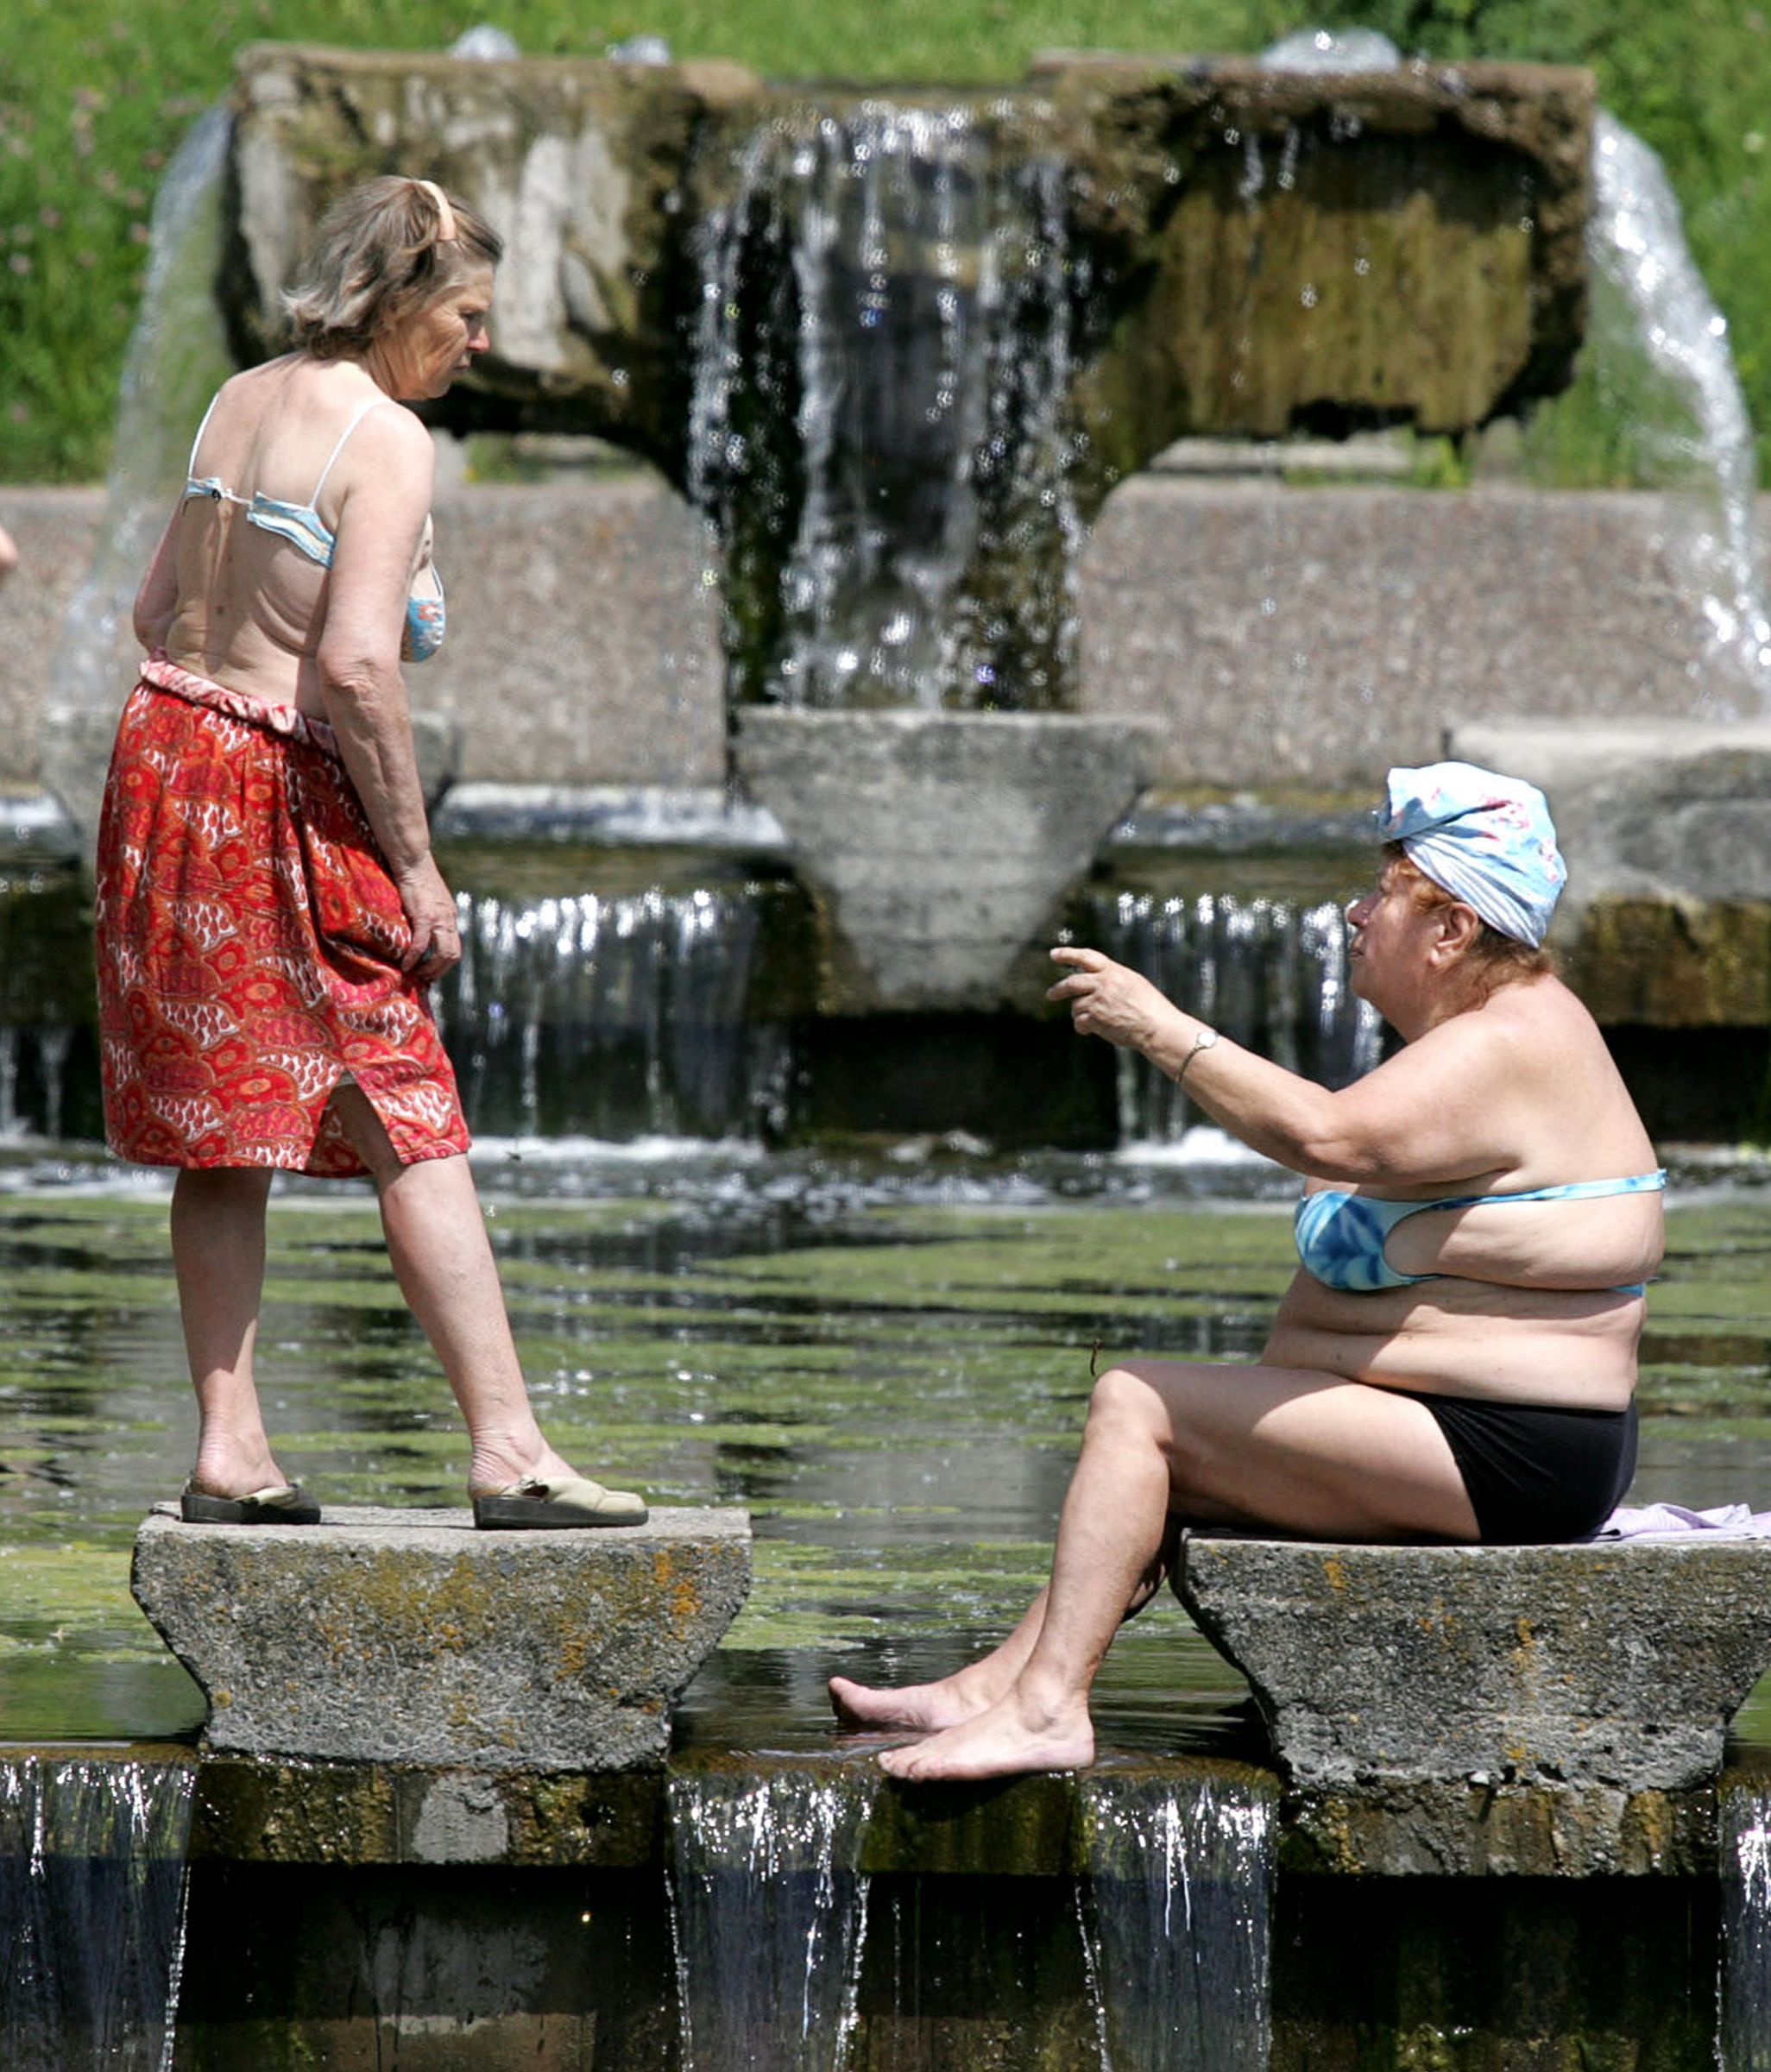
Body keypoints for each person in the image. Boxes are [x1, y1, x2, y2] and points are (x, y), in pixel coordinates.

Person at [829, 761, 1664, 1780]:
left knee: (1137, 1402)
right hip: (1494, 1440)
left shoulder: (1507, 1041)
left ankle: (1049, 1710)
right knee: (1172, 1435)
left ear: (1450, 931)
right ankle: (1001, 1681)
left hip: (1515, 1453)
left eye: (1385, 894)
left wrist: (1161, 1029)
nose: (1355, 914)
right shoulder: (1496, 1033)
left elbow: (1328, 1134)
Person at [94, 176, 646, 1530]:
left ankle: (230, 1447)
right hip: (276, 779)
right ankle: (509, 1449)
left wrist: (219, 731)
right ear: (397, 302)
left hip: (164, 756)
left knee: (227, 1127)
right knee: (406, 1097)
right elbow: (351, 664)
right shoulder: (385, 438)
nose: (480, 342)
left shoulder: (241, 395)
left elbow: (154, 609)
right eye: (464, 314)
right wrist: (414, 863)